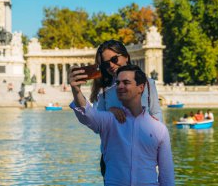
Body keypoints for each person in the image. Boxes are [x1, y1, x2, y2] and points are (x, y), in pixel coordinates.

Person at [69, 39, 163, 176]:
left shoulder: (148, 83)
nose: (111, 65)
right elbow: (95, 123)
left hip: (144, 156)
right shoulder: (103, 90)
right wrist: (76, 91)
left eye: (114, 59)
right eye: (106, 64)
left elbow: (156, 114)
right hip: (114, 160)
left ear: (126, 56)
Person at [70, 65, 174, 185]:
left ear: (141, 87)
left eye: (126, 82)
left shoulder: (159, 129)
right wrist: (76, 91)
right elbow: (87, 114)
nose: (120, 86)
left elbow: (167, 176)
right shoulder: (109, 120)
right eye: (118, 83)